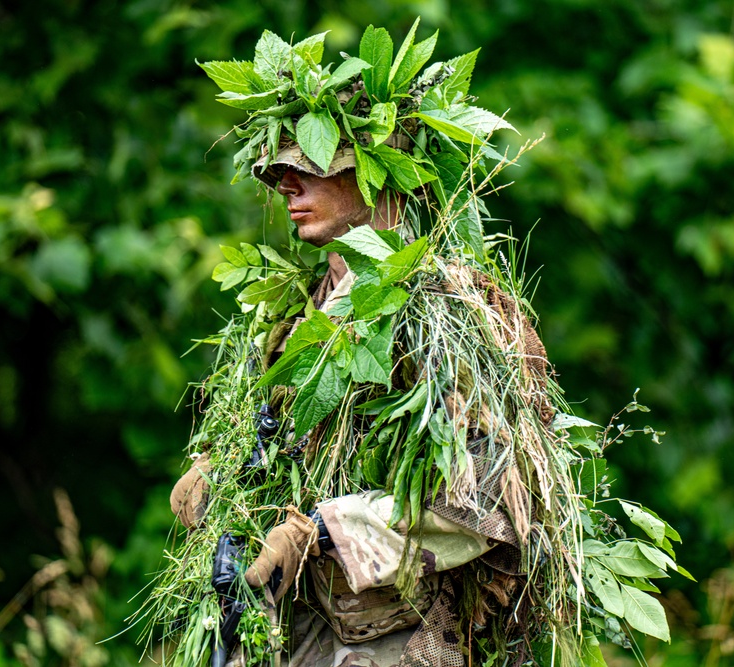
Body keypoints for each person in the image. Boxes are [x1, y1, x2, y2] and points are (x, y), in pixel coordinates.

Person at [147, 21, 684, 667]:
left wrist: (322, 532)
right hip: (298, 635)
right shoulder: (292, 313)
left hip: (402, 642)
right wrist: (224, 475)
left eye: (308, 166)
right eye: (279, 172)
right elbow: (281, 449)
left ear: (377, 172)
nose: (287, 185)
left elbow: (491, 498)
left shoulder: (448, 312)